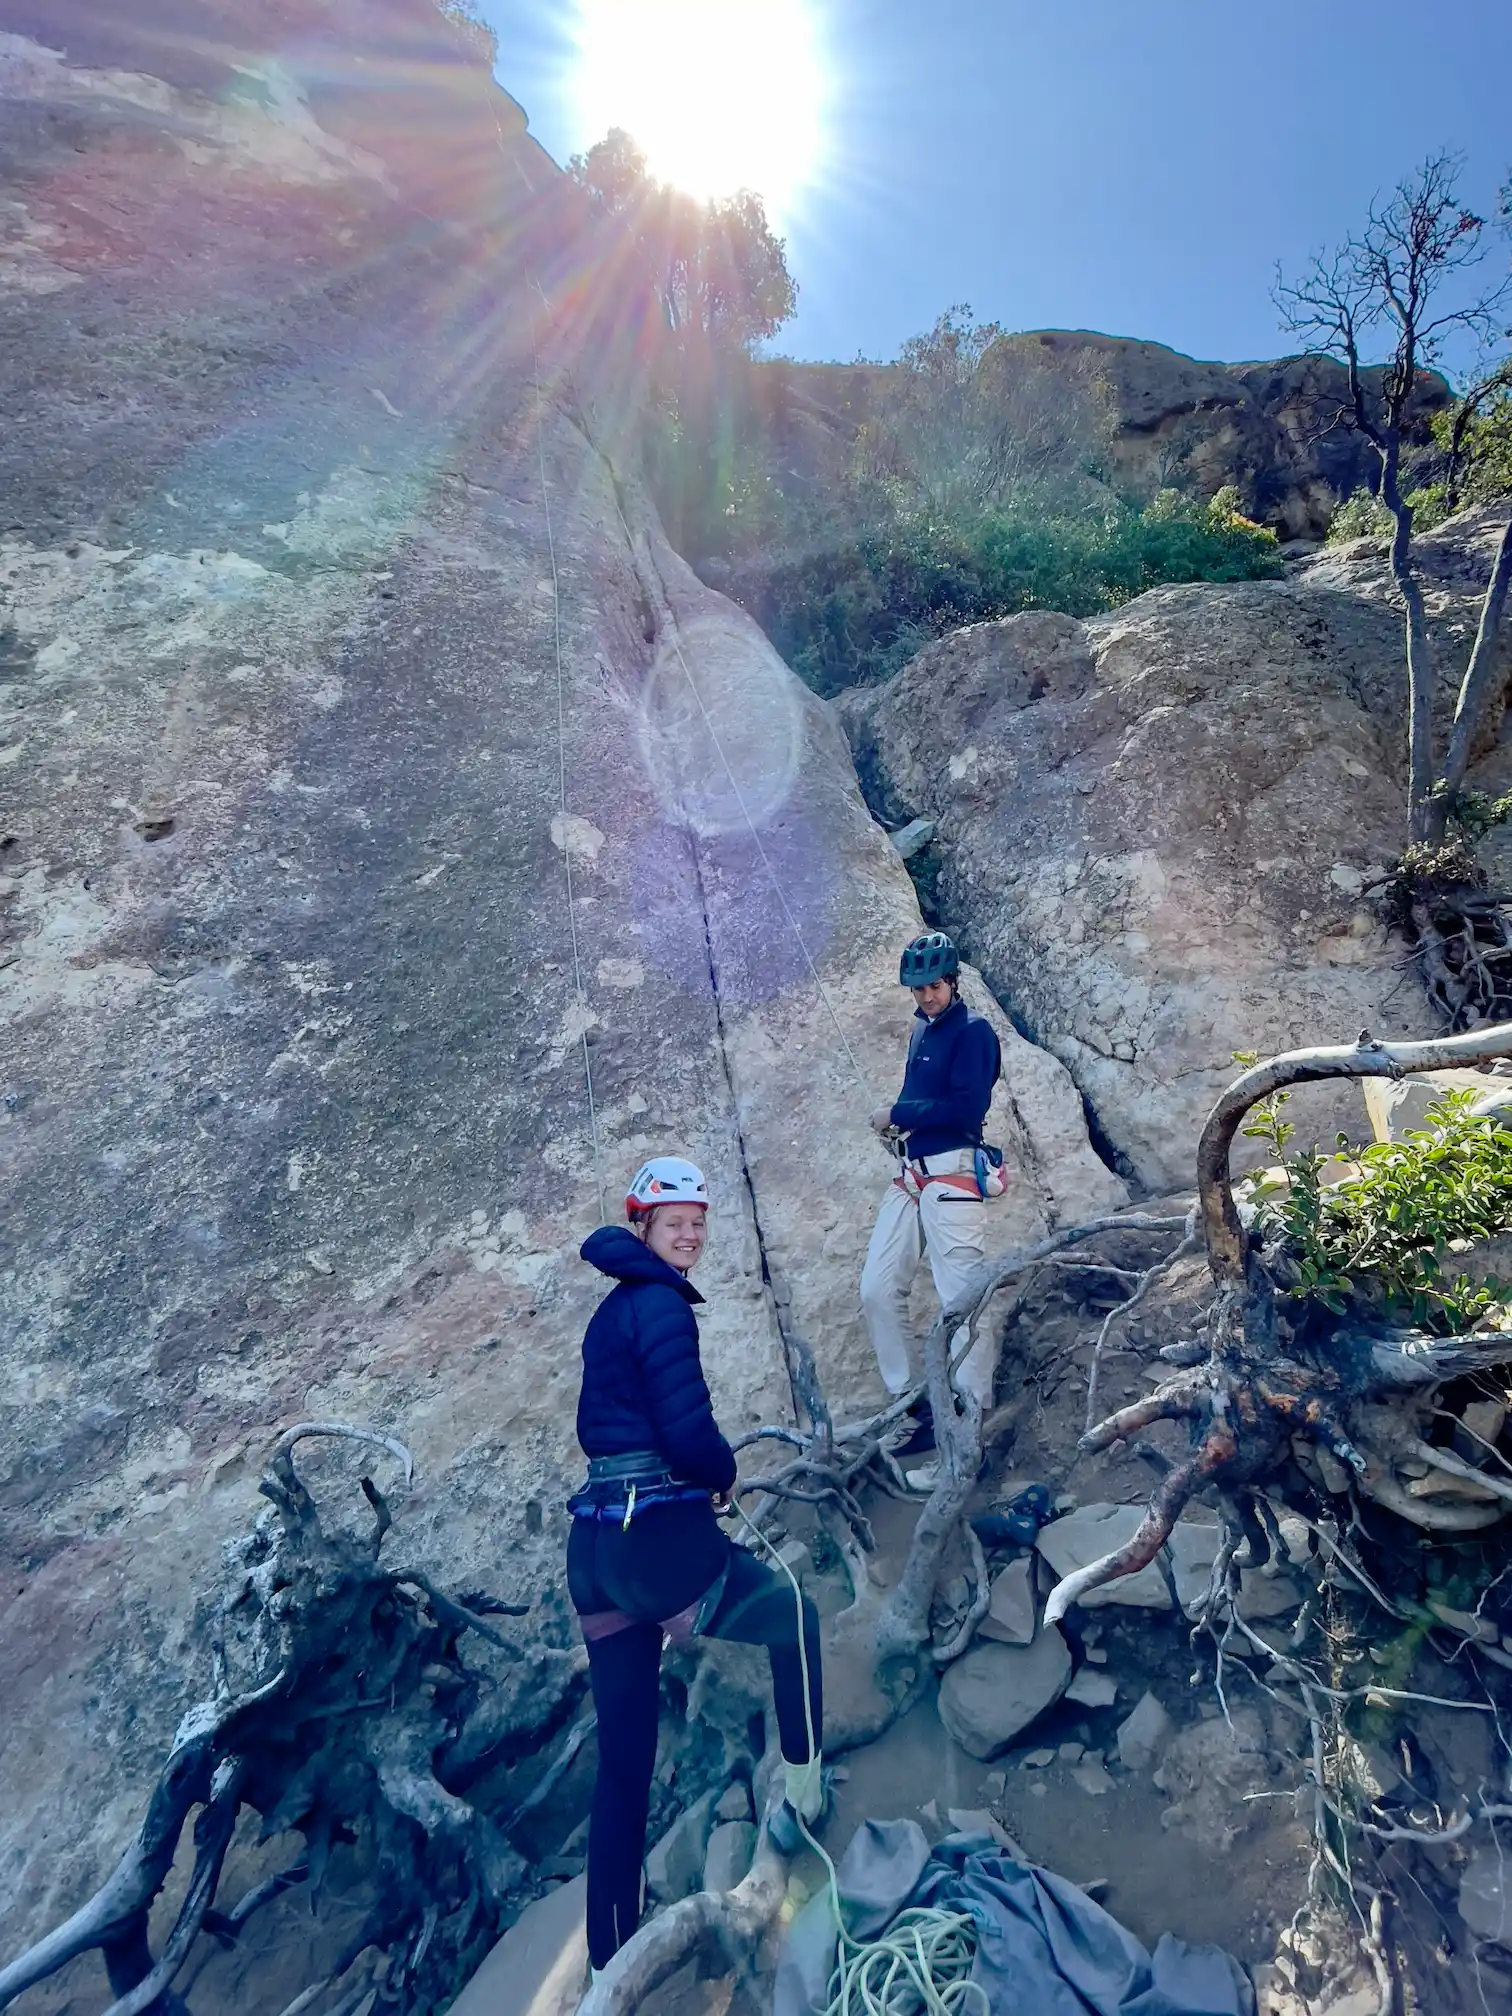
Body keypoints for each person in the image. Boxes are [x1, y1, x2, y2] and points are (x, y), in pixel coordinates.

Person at [567, 1156, 826, 1975]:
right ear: (640, 1224)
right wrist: (722, 1475)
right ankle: (806, 1801)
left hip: (595, 1550)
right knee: (794, 1610)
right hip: (655, 1544)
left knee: (625, 1761)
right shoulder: (663, 1308)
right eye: (675, 1219)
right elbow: (687, 1433)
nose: (692, 1231)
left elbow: (604, 1428)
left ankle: (610, 1958)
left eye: (699, 1219)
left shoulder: (612, 1312)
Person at [860, 932, 1003, 1481]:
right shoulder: (922, 1028)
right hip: (912, 1174)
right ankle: (911, 1406)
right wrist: (901, 1121)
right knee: (876, 1288)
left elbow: (968, 1105)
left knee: (959, 1300)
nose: (926, 997)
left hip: (954, 1175)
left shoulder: (974, 1032)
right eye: (918, 989)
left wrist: (899, 1110)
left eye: (934, 986)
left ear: (953, 982)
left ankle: (969, 1432)